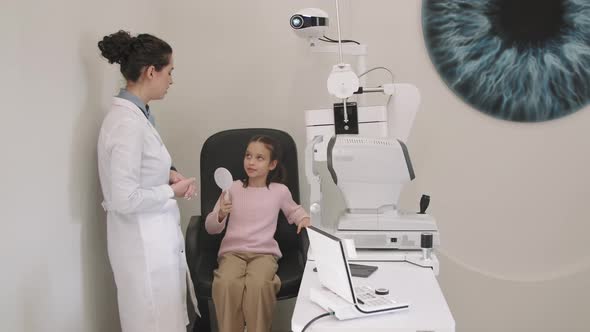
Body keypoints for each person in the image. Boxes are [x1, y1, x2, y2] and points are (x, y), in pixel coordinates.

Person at [96, 30, 198, 332]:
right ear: (151, 71)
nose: (171, 80)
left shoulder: (138, 116)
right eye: (170, 72)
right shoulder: (126, 123)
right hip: (143, 249)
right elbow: (123, 198)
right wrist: (171, 191)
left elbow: (138, 166)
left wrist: (168, 173)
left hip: (153, 244)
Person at [205, 135, 312, 332]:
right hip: (232, 253)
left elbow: (294, 211)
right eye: (248, 156)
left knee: (260, 285)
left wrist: (303, 219)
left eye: (259, 158)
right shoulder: (232, 189)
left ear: (272, 165)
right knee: (226, 284)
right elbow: (211, 228)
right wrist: (221, 213)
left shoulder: (279, 191)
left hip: (264, 254)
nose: (251, 162)